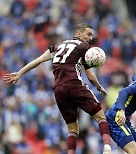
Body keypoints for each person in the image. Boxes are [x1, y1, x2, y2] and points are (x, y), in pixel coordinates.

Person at [4, 23, 112, 154]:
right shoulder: (84, 47)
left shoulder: (57, 47)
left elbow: (38, 60)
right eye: (88, 34)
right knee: (101, 117)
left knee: (72, 130)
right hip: (74, 83)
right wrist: (99, 87)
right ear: (78, 34)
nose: (90, 38)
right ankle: (107, 148)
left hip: (58, 89)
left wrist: (19, 73)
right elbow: (90, 76)